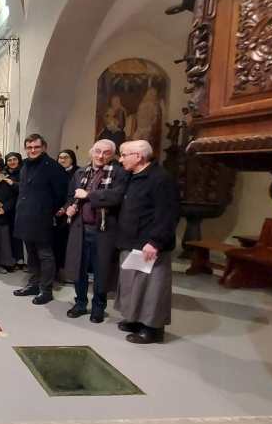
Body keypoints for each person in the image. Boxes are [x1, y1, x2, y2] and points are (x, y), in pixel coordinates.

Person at [115, 140, 179, 344]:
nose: (121, 158)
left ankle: (152, 328)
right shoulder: (132, 176)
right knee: (133, 285)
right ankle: (134, 320)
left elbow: (168, 214)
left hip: (148, 244)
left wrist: (156, 241)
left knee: (152, 289)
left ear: (139, 156)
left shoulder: (160, 179)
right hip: (131, 240)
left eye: (124, 155)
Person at [63, 140, 127, 323]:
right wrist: (69, 207)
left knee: (102, 270)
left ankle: (99, 307)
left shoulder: (118, 174)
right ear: (91, 152)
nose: (100, 156)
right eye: (97, 151)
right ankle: (80, 303)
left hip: (104, 229)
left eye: (106, 153)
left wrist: (89, 195)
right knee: (79, 268)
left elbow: (116, 197)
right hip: (80, 228)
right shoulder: (81, 172)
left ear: (112, 155)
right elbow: (71, 196)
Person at [13, 134, 69, 305]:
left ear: (44, 147)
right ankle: (33, 284)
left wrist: (50, 212)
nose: (33, 150)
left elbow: (61, 193)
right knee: (31, 253)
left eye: (36, 147)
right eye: (29, 147)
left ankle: (46, 290)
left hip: (43, 217)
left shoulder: (53, 167)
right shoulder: (25, 165)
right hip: (25, 216)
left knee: (45, 255)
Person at [53, 149, 79, 279]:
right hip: (55, 213)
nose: (62, 160)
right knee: (56, 243)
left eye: (66, 157)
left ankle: (67, 272)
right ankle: (56, 270)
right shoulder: (54, 172)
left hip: (72, 213)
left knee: (68, 244)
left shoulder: (78, 173)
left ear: (72, 159)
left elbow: (76, 194)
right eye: (60, 157)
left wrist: (64, 208)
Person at [4, 152, 25, 268]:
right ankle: (10, 258)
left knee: (17, 234)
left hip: (19, 206)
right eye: (9, 160)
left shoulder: (23, 171)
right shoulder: (4, 172)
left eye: (14, 159)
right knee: (8, 233)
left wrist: (12, 183)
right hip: (7, 207)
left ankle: (20, 259)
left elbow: (24, 188)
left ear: (19, 160)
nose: (12, 162)